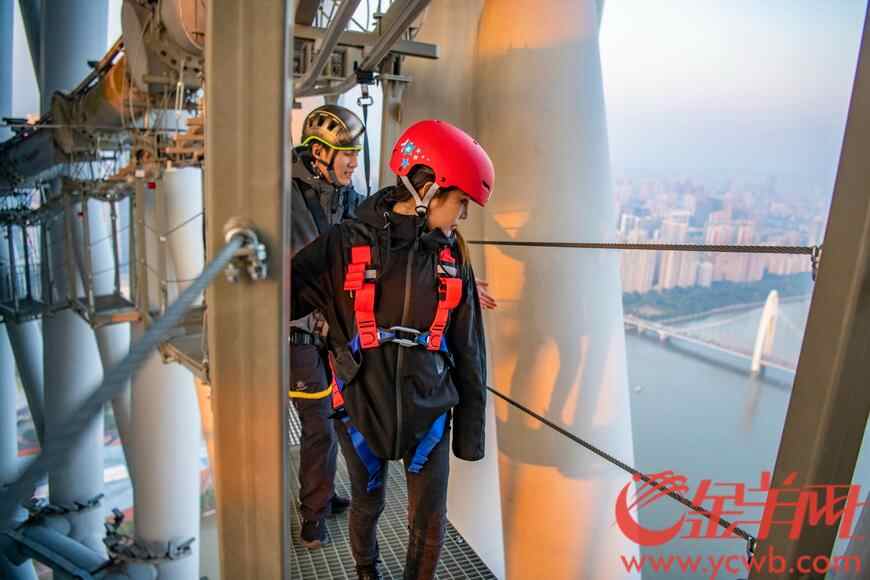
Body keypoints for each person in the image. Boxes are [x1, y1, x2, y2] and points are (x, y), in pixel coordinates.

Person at [291, 119, 494, 580]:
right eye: (461, 202)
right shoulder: (346, 244)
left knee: (430, 520)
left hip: (430, 410)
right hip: (360, 406)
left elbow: (469, 349)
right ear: (429, 189)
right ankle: (367, 571)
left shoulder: (452, 258)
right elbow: (282, 299)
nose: (463, 215)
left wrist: (469, 436)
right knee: (367, 502)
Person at [289, 104, 366, 548]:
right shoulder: (282, 196)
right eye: (346, 153)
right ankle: (313, 516)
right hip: (297, 329)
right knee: (318, 419)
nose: (353, 162)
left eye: (356, 153)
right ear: (319, 153)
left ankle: (324, 493)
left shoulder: (350, 198)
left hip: (334, 326)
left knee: (339, 413)